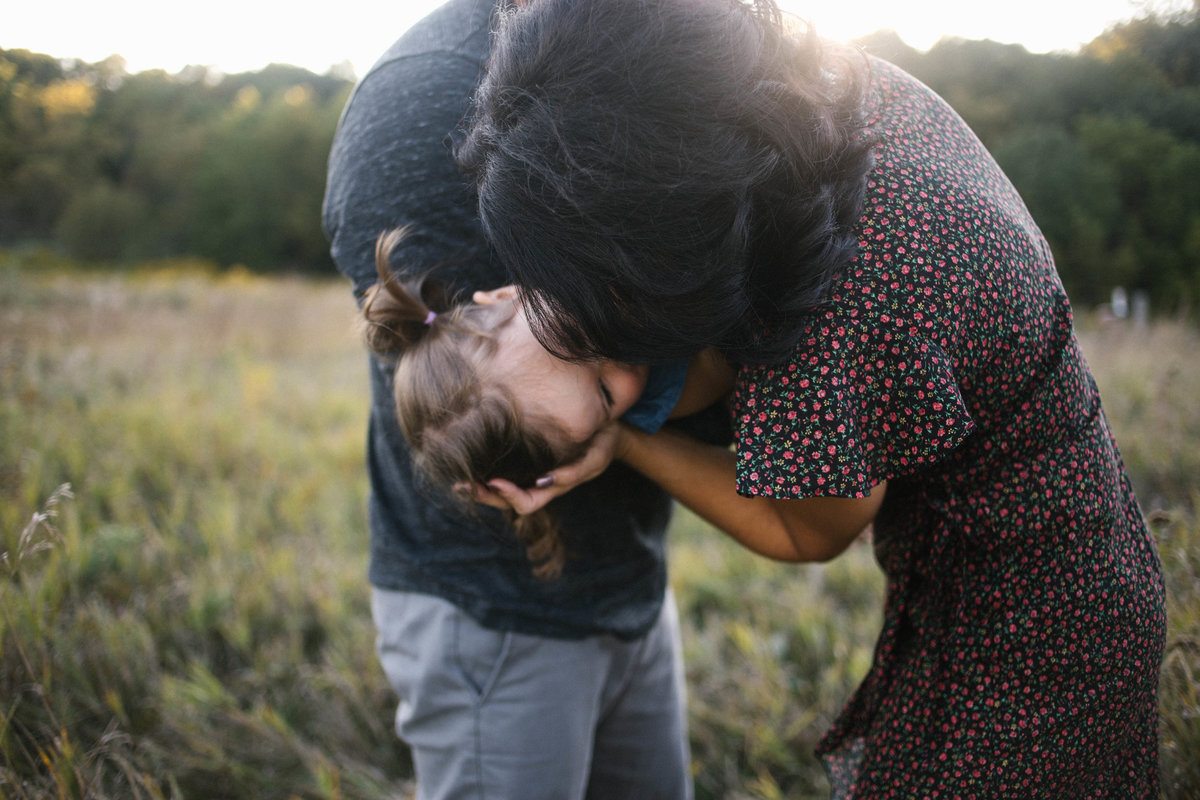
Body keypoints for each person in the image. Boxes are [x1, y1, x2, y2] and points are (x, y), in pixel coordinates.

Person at [455, 0, 1167, 797]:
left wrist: (622, 438)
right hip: (1061, 590)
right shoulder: (826, 93)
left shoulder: (839, 308)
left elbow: (805, 528)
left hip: (1031, 645)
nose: (598, 312)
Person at [321, 0, 726, 796]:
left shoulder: (649, 46)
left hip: (629, 578)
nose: (631, 372)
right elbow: (515, 387)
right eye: (610, 385)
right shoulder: (428, 108)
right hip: (495, 620)